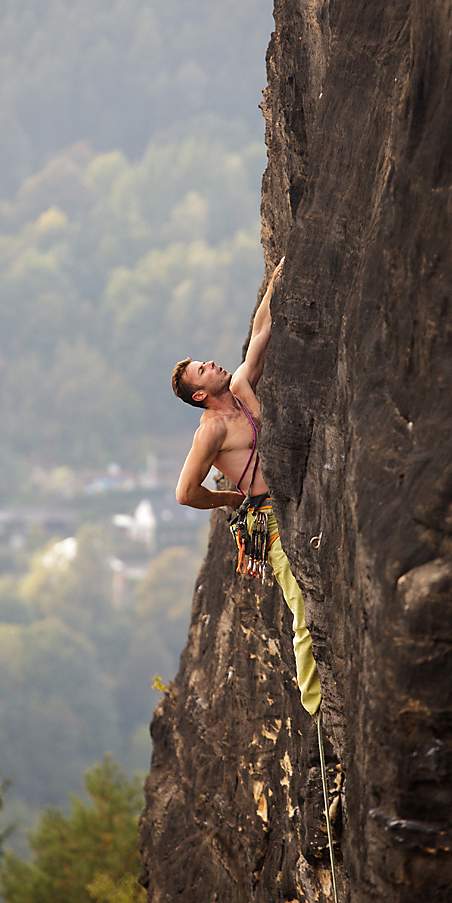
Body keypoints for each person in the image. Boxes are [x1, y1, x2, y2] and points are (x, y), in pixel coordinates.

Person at [171, 259, 321, 716]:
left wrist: (282, 268)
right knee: (303, 608)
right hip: (270, 518)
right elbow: (185, 491)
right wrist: (229, 499)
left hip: (296, 498)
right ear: (200, 393)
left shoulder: (240, 388)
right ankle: (317, 708)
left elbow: (261, 328)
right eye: (203, 369)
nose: (213, 364)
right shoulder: (211, 431)